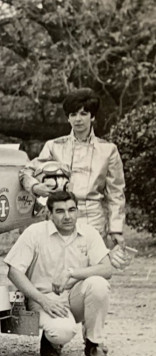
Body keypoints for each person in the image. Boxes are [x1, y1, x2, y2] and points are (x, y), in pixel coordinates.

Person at [4, 190, 114, 356]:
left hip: (74, 296)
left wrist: (71, 273)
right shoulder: (35, 232)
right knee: (62, 331)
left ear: (77, 211)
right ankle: (52, 340)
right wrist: (43, 301)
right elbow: (14, 271)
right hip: (43, 299)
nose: (67, 216)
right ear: (49, 214)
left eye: (72, 210)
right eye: (60, 211)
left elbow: (106, 269)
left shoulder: (89, 233)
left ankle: (94, 344)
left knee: (98, 284)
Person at [20, 88, 126, 248]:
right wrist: (36, 187)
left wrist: (116, 229)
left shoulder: (108, 150)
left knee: (91, 268)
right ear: (68, 118)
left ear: (92, 116)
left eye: (83, 114)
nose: (78, 119)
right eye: (73, 114)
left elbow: (116, 193)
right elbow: (25, 172)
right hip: (58, 215)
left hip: (93, 218)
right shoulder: (54, 146)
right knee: (56, 267)